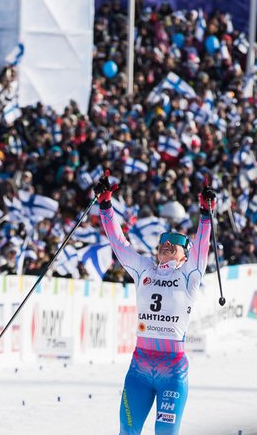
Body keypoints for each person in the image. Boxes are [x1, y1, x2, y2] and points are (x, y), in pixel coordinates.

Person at [95, 170, 214, 435]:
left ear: (185, 256)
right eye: (163, 243)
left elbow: (202, 248)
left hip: (172, 371)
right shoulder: (144, 270)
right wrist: (105, 207)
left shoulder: (189, 275)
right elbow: (119, 243)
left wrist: (205, 216)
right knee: (127, 430)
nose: (167, 245)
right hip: (139, 368)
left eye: (175, 244)